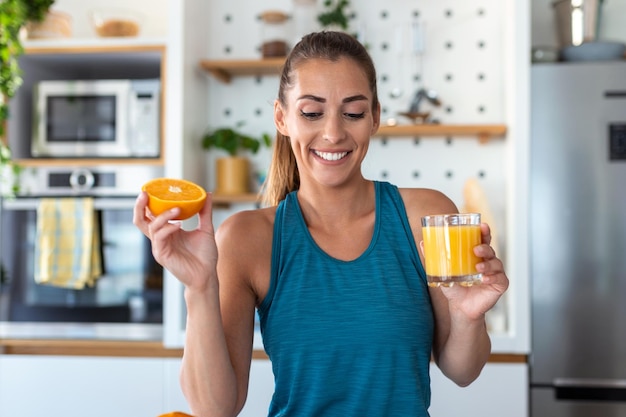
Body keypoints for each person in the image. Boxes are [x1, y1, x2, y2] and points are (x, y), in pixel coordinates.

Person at [134, 31, 509, 417]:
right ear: (282, 118)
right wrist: (199, 288)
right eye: (312, 113)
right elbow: (214, 409)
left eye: (354, 112)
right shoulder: (248, 238)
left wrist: (467, 317)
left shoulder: (424, 217)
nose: (333, 132)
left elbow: (463, 371)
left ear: (375, 117)